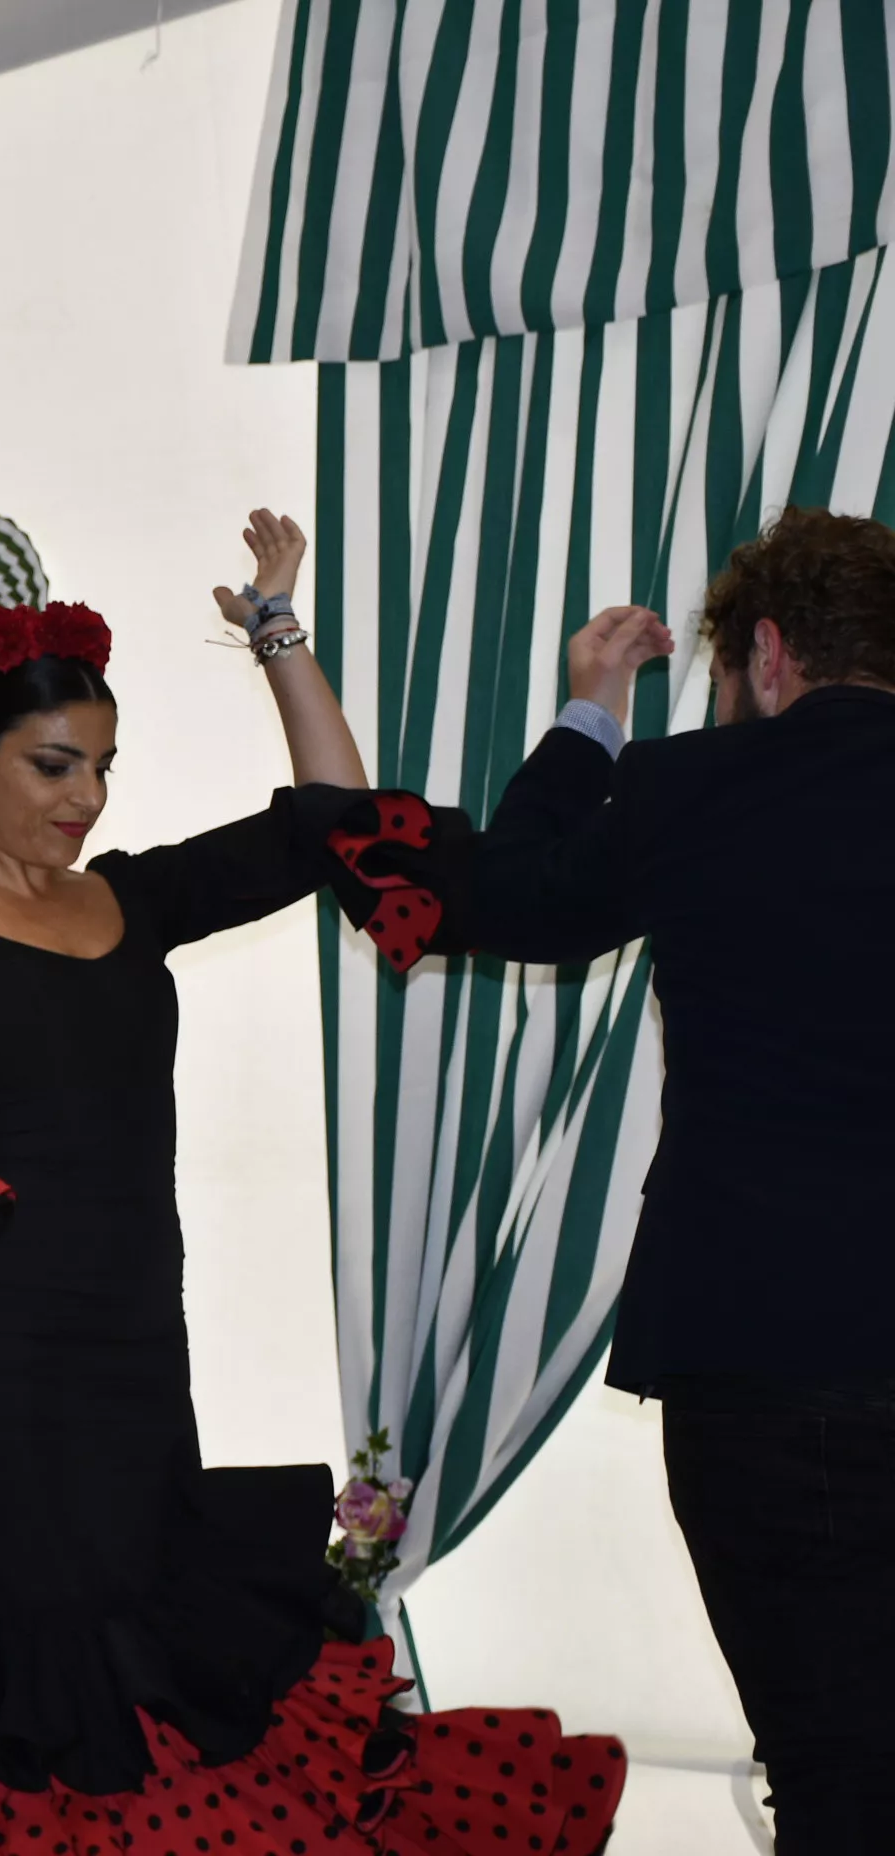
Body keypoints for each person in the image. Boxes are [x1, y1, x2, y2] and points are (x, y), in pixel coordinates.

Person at [0, 514, 627, 1853]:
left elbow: (332, 827)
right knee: (54, 1668)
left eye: (104, 770)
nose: (84, 799)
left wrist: (277, 635)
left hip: (137, 1335)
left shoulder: (132, 900)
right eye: (53, 766)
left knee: (160, 1656)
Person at [463, 505, 895, 1853]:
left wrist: (594, 711)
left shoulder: (691, 788)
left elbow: (503, 899)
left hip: (762, 1357)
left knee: (834, 1771)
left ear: (769, 653)